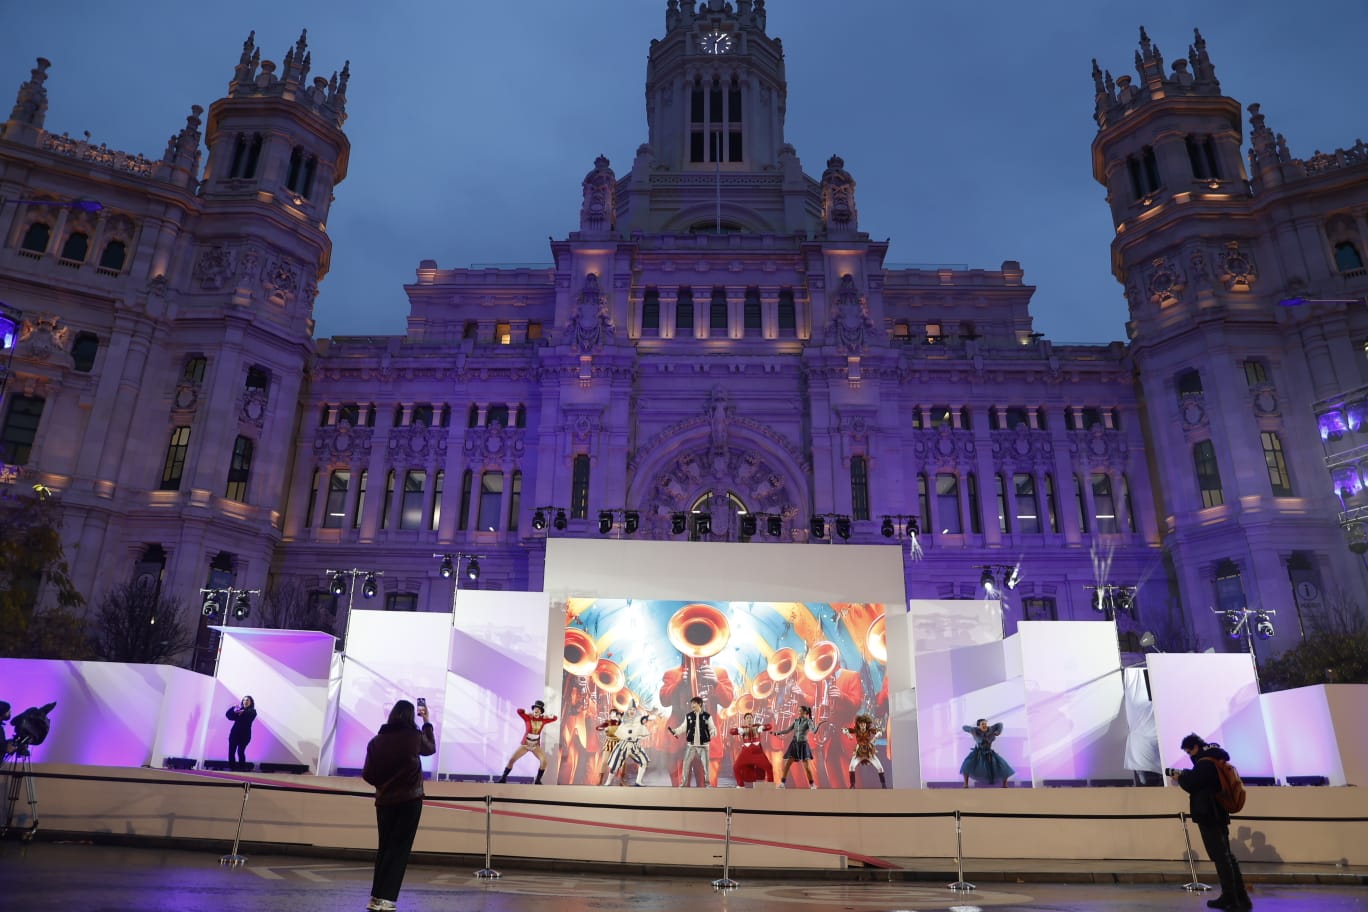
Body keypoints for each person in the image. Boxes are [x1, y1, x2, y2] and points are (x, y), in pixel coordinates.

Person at [362, 699, 435, 912]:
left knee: (385, 848)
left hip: (384, 801)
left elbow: (368, 774)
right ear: (411, 716)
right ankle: (386, 899)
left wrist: (384, 785)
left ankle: (376, 897)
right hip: (410, 800)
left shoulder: (376, 741)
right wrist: (427, 722)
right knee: (399, 849)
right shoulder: (413, 737)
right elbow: (430, 748)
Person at [1171, 733, 1252, 910]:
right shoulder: (1215, 759)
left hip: (1209, 814)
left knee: (1221, 857)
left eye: (1189, 751)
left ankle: (1230, 897)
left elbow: (1194, 783)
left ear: (1195, 747)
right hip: (1218, 813)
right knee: (1226, 856)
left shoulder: (1206, 763)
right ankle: (1240, 898)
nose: (1189, 755)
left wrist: (1181, 778)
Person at [497, 700, 559, 784]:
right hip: (525, 744)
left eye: (539, 709)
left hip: (535, 746)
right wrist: (527, 712)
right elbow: (519, 711)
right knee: (512, 760)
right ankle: (503, 778)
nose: (536, 711)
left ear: (541, 712)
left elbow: (555, 718)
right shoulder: (528, 717)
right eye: (535, 709)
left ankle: (537, 780)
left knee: (544, 761)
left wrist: (546, 716)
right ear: (533, 710)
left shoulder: (543, 720)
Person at [667, 695, 715, 787]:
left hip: (703, 745)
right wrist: (675, 731)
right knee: (685, 764)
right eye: (691, 703)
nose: (692, 705)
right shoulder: (689, 716)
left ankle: (708, 784)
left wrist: (712, 733)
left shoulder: (707, 716)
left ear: (700, 704)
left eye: (694, 703)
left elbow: (712, 728)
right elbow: (683, 728)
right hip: (691, 745)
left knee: (705, 766)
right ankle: (683, 783)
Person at [604, 706, 657, 787]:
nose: (632, 711)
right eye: (630, 710)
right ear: (627, 711)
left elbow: (649, 718)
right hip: (623, 745)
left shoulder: (638, 720)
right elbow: (617, 717)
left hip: (634, 746)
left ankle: (638, 781)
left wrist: (650, 717)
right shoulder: (623, 718)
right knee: (615, 765)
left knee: (644, 762)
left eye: (633, 710)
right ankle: (608, 782)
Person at [960, 718, 1013, 788]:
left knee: (1003, 766)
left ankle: (1005, 784)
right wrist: (972, 730)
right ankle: (966, 784)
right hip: (978, 753)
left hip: (989, 752)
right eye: (982, 724)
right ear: (979, 726)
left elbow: (1000, 724)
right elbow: (964, 727)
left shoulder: (991, 729)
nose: (984, 725)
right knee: (966, 765)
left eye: (985, 724)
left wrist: (998, 732)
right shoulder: (975, 730)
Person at [775, 705, 819, 788]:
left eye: (800, 711)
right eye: (798, 711)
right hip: (794, 744)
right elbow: (788, 730)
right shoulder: (795, 721)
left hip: (803, 745)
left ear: (805, 712)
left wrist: (817, 725)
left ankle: (812, 784)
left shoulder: (808, 721)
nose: (798, 712)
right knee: (787, 764)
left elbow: (813, 731)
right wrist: (779, 732)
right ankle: (782, 783)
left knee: (806, 767)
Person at [729, 712, 773, 787]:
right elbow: (731, 731)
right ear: (745, 720)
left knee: (768, 766)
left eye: (750, 718)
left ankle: (770, 784)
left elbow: (770, 726)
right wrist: (737, 730)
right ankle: (740, 785)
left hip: (757, 752)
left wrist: (763, 727)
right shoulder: (742, 728)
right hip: (746, 752)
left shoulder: (757, 726)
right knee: (736, 767)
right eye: (747, 718)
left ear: (752, 719)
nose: (749, 719)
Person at [843, 714, 887, 788]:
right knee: (851, 767)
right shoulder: (856, 730)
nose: (862, 725)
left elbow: (879, 732)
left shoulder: (870, 730)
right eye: (861, 724)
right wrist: (847, 733)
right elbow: (845, 730)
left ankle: (884, 785)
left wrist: (876, 736)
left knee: (880, 768)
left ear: (866, 724)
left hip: (869, 752)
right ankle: (852, 785)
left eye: (864, 723)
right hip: (859, 752)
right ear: (858, 724)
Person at [594, 709, 627, 786]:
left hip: (619, 744)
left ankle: (621, 780)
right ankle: (600, 780)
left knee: (623, 762)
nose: (612, 715)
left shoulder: (621, 723)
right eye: (611, 713)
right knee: (604, 762)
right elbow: (598, 728)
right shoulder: (607, 722)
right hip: (609, 743)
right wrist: (603, 728)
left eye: (614, 713)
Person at [225, 696, 257, 771]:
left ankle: (242, 767)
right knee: (231, 752)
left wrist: (241, 712)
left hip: (245, 736)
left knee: (240, 752)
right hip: (234, 734)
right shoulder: (239, 710)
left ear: (251, 702)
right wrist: (233, 708)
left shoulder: (252, 711)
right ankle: (232, 767)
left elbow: (248, 715)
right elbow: (229, 716)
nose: (245, 701)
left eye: (247, 700)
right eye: (244, 700)